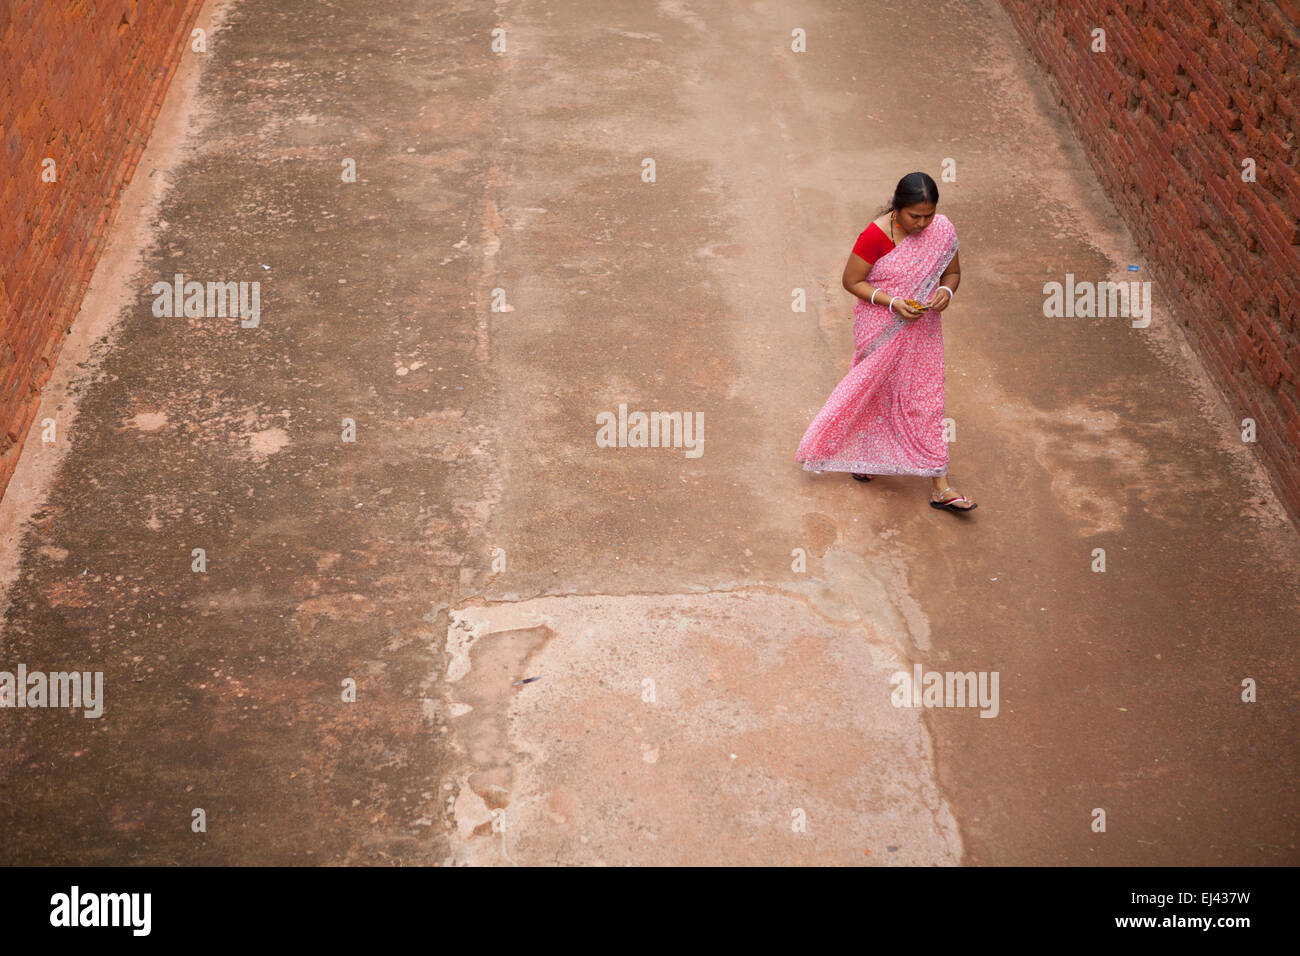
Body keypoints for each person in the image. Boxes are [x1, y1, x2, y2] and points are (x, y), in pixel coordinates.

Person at [796, 171, 975, 512]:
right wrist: (893, 303)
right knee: (876, 390)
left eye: (929, 215)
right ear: (897, 208)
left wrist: (946, 291)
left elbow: (953, 272)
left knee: (926, 399)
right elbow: (852, 281)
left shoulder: (943, 230)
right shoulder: (874, 236)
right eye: (914, 216)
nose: (923, 224)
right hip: (880, 326)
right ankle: (866, 457)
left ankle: (940, 485)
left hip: (923, 329)